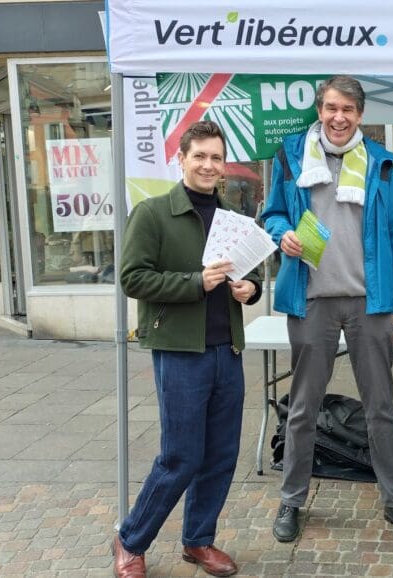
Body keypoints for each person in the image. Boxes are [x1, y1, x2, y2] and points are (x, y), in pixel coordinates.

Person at [262, 75, 393, 545]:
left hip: (369, 303)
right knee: (303, 408)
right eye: (331, 107)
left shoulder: (379, 162)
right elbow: (271, 213)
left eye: (348, 110)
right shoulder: (292, 154)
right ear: (320, 108)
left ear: (360, 115)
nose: (338, 117)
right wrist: (280, 234)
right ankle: (292, 500)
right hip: (311, 300)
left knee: (381, 409)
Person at [114, 120, 263, 578]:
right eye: (199, 156)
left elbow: (249, 278)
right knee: (180, 456)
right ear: (181, 160)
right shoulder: (154, 213)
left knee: (220, 454)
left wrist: (250, 291)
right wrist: (193, 282)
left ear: (223, 167)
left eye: (216, 158)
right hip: (181, 352)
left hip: (227, 351)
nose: (208, 165)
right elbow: (132, 278)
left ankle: (198, 540)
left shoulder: (232, 218)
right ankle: (131, 540)